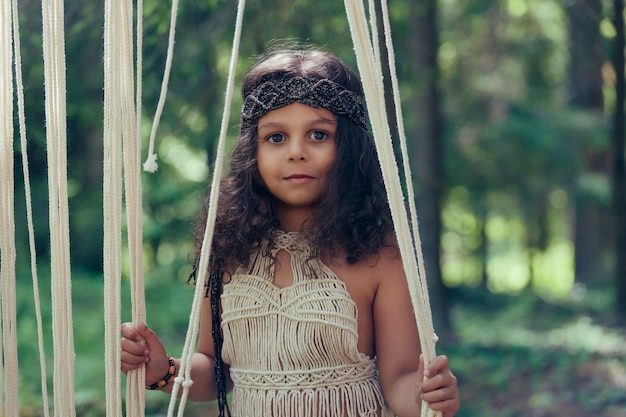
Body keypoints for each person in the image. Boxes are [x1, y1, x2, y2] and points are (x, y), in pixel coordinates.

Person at [120, 46, 460, 417]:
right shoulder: (230, 247)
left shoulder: (378, 252)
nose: (296, 152)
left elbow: (400, 378)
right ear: (253, 151)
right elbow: (216, 370)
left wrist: (426, 396)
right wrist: (164, 371)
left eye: (318, 135)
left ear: (348, 147)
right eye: (276, 138)